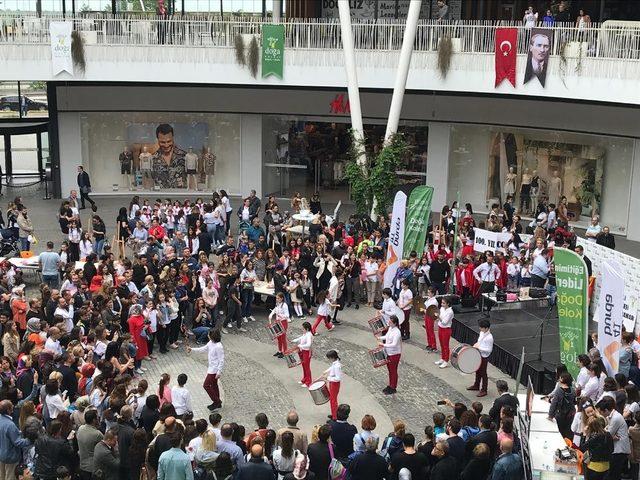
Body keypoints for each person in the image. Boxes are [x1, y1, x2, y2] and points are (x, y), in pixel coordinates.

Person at [187, 329, 224, 411]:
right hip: (211, 367)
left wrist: (219, 371)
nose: (207, 335)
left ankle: (217, 401)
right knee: (214, 385)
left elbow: (221, 360)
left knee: (206, 385)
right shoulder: (211, 343)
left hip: (214, 369)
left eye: (209, 335)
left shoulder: (219, 346)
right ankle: (217, 402)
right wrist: (192, 349)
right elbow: (203, 349)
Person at [596, 396, 630, 479]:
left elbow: (607, 435)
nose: (600, 414)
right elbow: (607, 431)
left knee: (614, 474)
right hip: (616, 449)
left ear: (606, 410)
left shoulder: (615, 418)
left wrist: (610, 436)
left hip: (619, 450)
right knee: (615, 473)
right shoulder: (611, 416)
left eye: (601, 412)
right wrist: (610, 436)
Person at [0, 400, 31, 479]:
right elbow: (18, 442)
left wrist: (17, 432)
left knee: (2, 476)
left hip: (1, 454)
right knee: (11, 477)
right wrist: (30, 440)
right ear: (8, 410)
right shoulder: (10, 425)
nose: (13, 407)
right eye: (11, 406)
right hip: (11, 457)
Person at [468, 318, 493, 397]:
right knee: (477, 370)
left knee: (483, 372)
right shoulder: (482, 333)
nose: (480, 328)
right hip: (478, 354)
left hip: (484, 356)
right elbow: (479, 341)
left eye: (481, 327)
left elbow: (489, 350)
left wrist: (479, 348)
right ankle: (476, 385)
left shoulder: (489, 338)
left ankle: (484, 389)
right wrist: (476, 345)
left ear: (486, 328)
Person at [77, 409, 103, 480]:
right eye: (97, 417)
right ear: (94, 420)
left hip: (82, 464)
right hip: (93, 468)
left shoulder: (80, 428)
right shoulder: (97, 434)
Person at [379, 314, 402, 394]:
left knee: (393, 370)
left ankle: (393, 387)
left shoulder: (397, 332)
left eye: (390, 322)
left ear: (395, 323)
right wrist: (379, 338)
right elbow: (387, 336)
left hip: (394, 354)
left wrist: (383, 345)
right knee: (390, 370)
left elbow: (394, 344)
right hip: (388, 352)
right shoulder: (390, 329)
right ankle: (390, 385)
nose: (389, 323)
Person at [292, 322, 313, 388]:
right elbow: (301, 337)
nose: (302, 329)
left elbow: (308, 344)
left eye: (303, 328)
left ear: (306, 329)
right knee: (304, 366)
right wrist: (295, 340)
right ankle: (304, 379)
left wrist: (300, 345)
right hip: (303, 351)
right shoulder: (306, 333)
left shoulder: (309, 335)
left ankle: (308, 382)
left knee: (307, 367)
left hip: (306, 352)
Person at [322, 350, 342, 421]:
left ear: (332, 357)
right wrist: (326, 371)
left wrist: (327, 378)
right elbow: (332, 367)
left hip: (334, 384)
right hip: (332, 383)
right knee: (332, 400)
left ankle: (335, 417)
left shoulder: (337, 366)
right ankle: (334, 413)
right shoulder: (335, 363)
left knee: (333, 401)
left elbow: (338, 378)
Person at [435, 297, 454, 369]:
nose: (442, 304)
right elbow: (439, 319)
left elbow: (445, 322)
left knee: (446, 345)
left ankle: (446, 360)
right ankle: (442, 358)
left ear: (448, 304)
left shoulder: (450, 312)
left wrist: (438, 317)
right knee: (441, 344)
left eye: (443, 303)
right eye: (442, 303)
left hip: (446, 329)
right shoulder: (442, 308)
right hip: (440, 328)